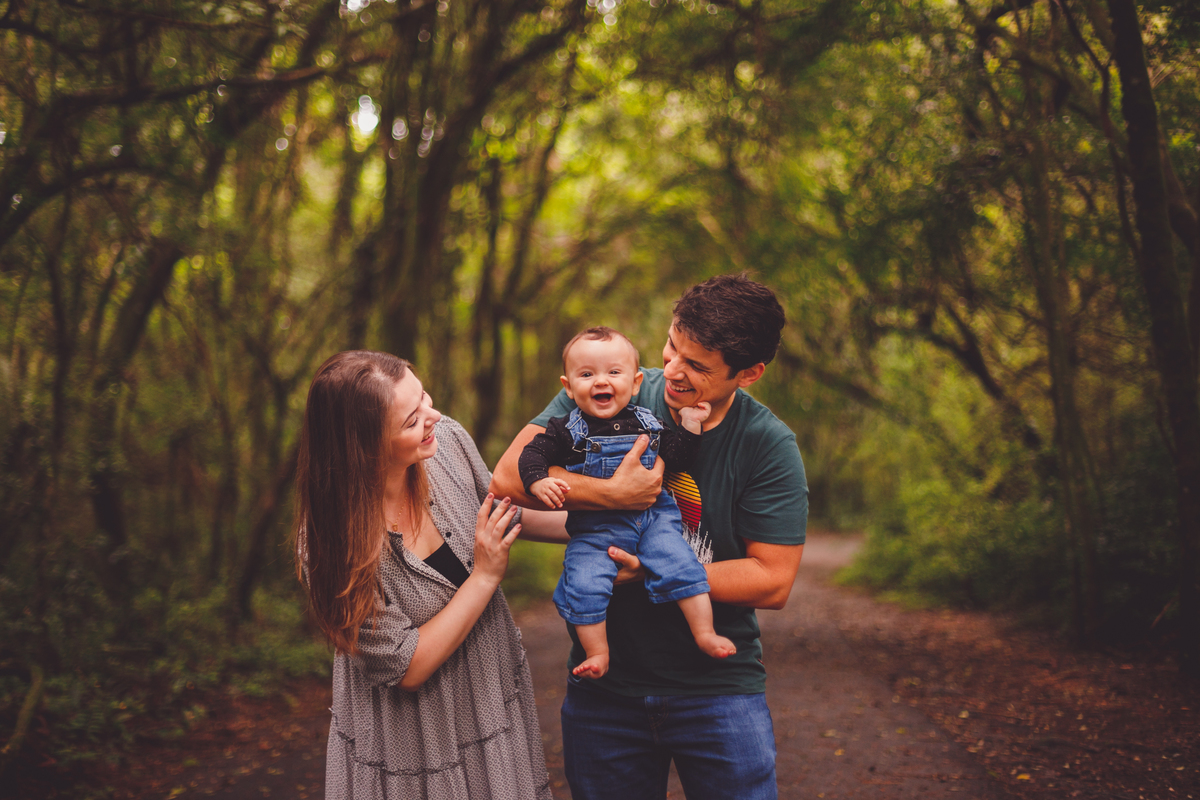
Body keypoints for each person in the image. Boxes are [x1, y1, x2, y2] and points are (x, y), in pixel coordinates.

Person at [491, 274, 808, 800]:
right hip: (606, 692)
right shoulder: (609, 386)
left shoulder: (767, 445)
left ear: (749, 373)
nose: (674, 371)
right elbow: (507, 477)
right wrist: (611, 495)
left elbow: (772, 581)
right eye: (671, 347)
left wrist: (652, 570)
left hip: (717, 692)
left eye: (698, 365)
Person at [293, 350, 565, 800]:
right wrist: (484, 576)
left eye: (424, 398)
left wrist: (614, 521)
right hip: (415, 740)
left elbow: (503, 512)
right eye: (411, 419)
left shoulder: (445, 442)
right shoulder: (330, 544)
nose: (433, 416)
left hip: (491, 700)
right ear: (364, 448)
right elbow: (406, 667)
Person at [518, 326, 737, 679]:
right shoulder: (564, 429)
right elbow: (532, 455)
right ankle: (597, 652)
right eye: (586, 375)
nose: (601, 381)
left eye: (614, 372)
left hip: (653, 521)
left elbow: (677, 459)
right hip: (595, 531)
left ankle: (705, 633)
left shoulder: (649, 422)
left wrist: (690, 426)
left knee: (681, 563)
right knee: (583, 580)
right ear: (568, 387)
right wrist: (538, 480)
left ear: (635, 383)